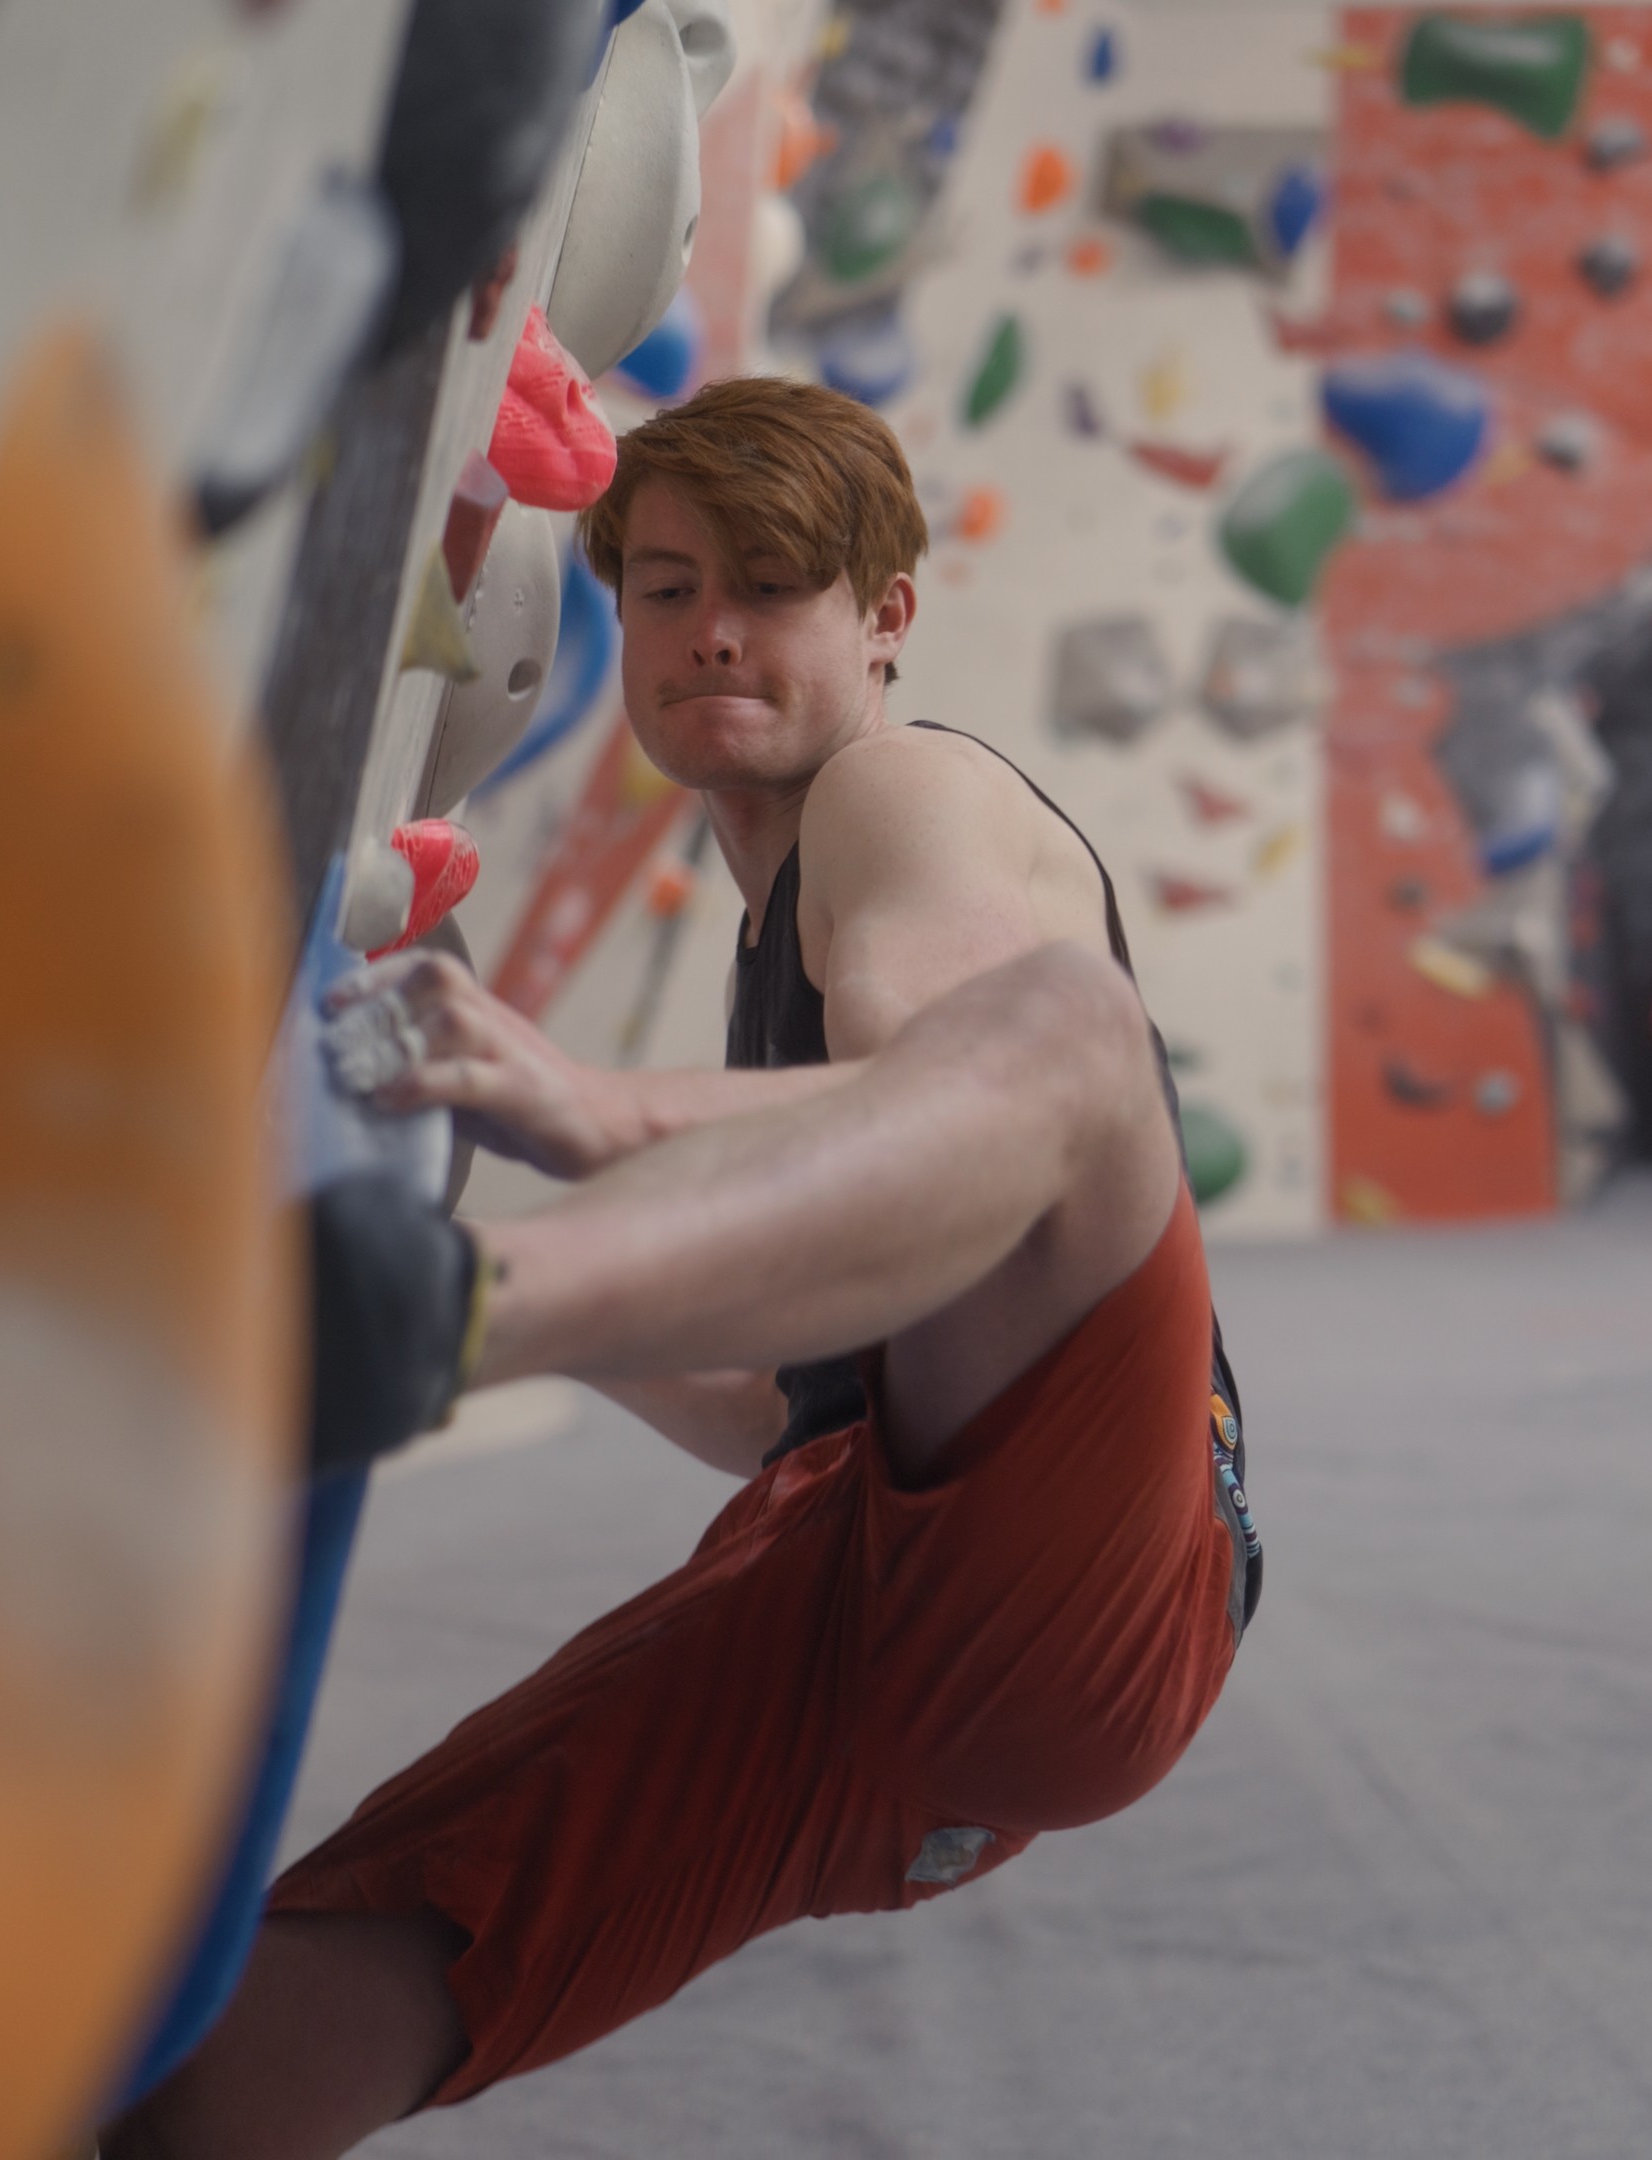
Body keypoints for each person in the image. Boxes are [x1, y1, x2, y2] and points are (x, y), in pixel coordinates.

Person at [107, 376, 1258, 2159]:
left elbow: (928, 1094)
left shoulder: (908, 789)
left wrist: (594, 1119)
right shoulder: (763, 931)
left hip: (1093, 1588)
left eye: (774, 583)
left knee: (1068, 1037)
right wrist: (471, 1188)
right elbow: (782, 1398)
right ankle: (439, 1309)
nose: (709, 630)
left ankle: (444, 1324)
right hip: (863, 1617)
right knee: (313, 1989)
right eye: (661, 588)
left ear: (883, 622)